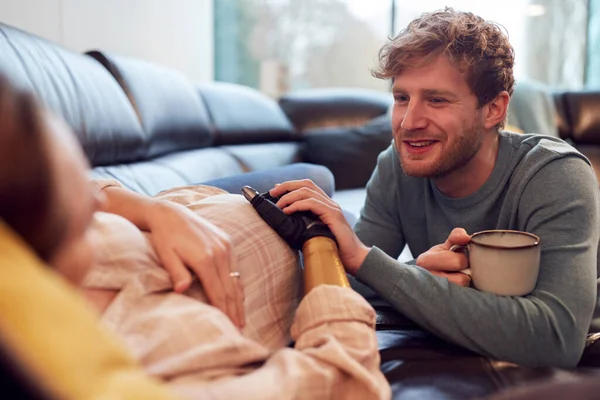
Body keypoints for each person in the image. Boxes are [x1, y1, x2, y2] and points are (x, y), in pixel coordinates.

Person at [0, 75, 390, 399]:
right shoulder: (139, 362)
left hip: (194, 205)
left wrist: (155, 211)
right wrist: (319, 244)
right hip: (297, 248)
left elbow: (96, 187)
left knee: (317, 177)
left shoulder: (31, 240)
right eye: (84, 216)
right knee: (329, 201)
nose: (91, 201)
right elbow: (344, 380)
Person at [269, 8, 600, 368]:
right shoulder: (396, 164)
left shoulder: (555, 174)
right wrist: (413, 277)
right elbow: (353, 289)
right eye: (401, 98)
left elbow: (556, 340)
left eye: (437, 100)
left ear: (493, 109)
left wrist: (378, 266)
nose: (409, 123)